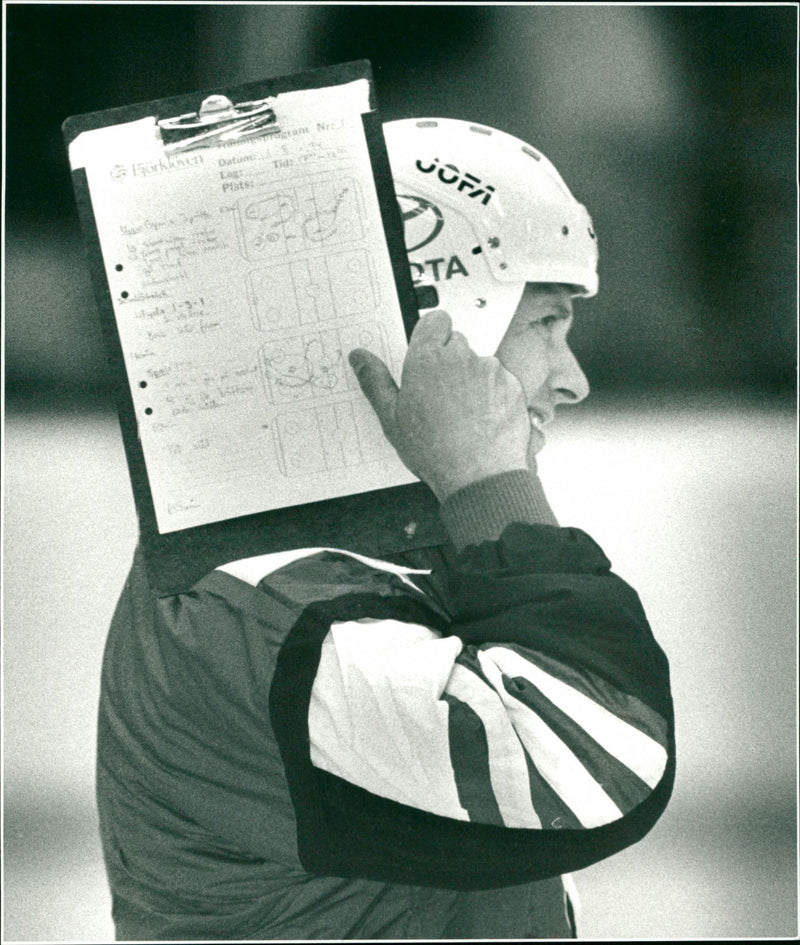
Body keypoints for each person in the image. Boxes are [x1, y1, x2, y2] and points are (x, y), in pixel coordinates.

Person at [96, 117, 675, 940]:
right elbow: (599, 764)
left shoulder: (330, 556)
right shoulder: (268, 601)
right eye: (547, 321)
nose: (572, 379)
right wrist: (488, 481)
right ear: (440, 321)